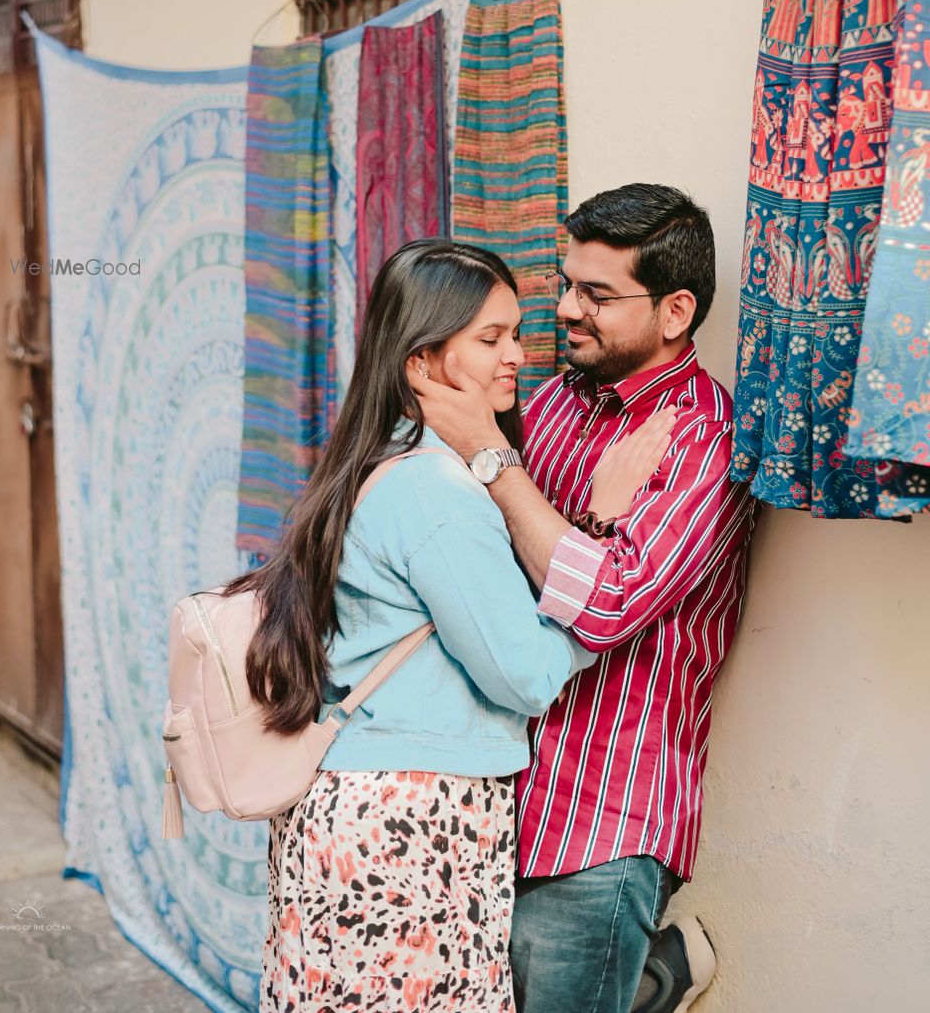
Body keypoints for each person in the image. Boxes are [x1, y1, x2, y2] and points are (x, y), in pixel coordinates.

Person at [225, 239, 673, 1013]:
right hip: (410, 822)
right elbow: (526, 672)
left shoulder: (383, 463)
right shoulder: (438, 490)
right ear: (422, 362)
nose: (516, 357)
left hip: (361, 812)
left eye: (516, 334)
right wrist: (598, 540)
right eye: (490, 339)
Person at [412, 184, 757, 1013]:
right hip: (499, 789)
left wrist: (497, 461)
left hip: (605, 817)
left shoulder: (704, 436)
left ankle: (649, 969)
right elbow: (498, 558)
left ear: (675, 311)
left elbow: (601, 606)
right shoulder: (561, 397)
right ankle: (652, 976)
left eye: (597, 295)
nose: (567, 310)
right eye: (566, 285)